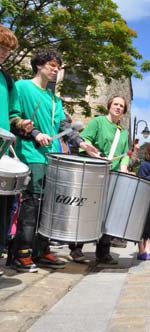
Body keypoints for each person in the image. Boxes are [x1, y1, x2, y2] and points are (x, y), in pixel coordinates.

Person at [8, 50, 97, 272]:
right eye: (52, 65)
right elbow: (13, 117)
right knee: (32, 204)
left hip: (50, 158)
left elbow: (63, 127)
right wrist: (33, 131)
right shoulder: (21, 86)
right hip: (29, 153)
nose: (56, 69)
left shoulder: (55, 99)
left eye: (58, 66)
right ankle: (21, 253)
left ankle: (41, 250)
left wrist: (82, 143)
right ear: (39, 65)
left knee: (48, 205)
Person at [68, 95, 130, 265]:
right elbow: (86, 140)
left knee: (108, 214)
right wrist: (94, 153)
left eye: (121, 106)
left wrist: (124, 166)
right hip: (94, 171)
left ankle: (103, 252)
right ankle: (76, 248)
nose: (118, 107)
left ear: (124, 111)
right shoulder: (98, 122)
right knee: (86, 209)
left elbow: (125, 154)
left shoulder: (123, 132)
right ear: (109, 106)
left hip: (113, 174)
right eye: (115, 104)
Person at [0, 24, 21, 276]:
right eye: (1, 47)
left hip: (3, 148)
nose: (4, 52)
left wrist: (20, 123)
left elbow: (14, 113)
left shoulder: (7, 79)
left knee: (3, 205)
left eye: (8, 49)